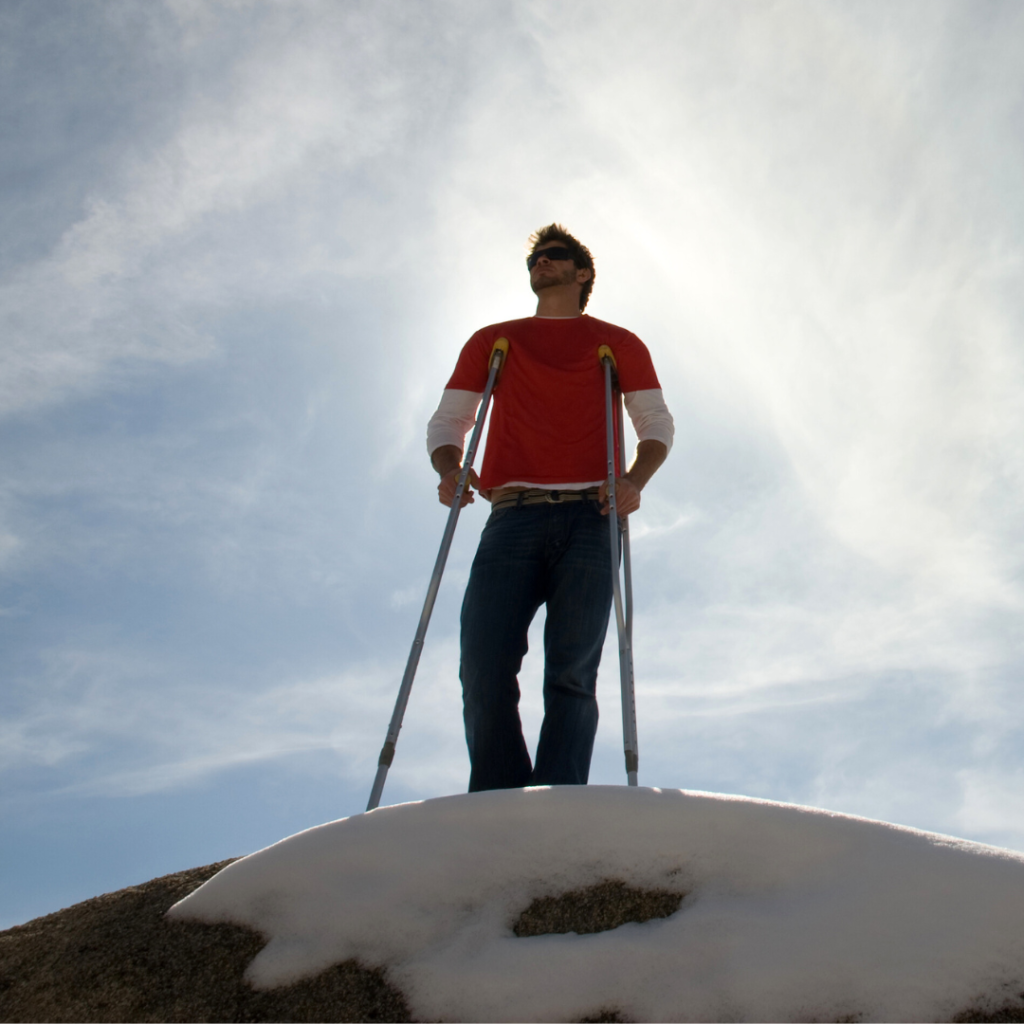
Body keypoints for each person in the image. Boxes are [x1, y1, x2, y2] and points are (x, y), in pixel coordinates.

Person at [426, 224, 674, 792]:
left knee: (571, 674)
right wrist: (449, 468)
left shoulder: (617, 342)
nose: (542, 263)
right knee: (483, 668)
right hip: (512, 514)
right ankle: (498, 797)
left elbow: (656, 423)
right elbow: (448, 422)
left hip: (593, 516)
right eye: (536, 257)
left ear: (582, 274)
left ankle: (559, 799)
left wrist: (634, 480)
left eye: (555, 256)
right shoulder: (495, 340)